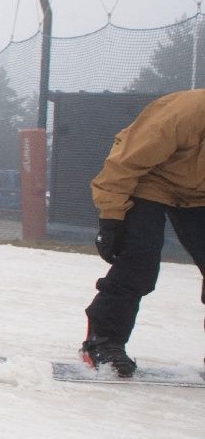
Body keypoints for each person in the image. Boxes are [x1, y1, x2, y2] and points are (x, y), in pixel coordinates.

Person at [82, 88, 205, 377]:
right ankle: (104, 341)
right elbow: (123, 165)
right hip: (149, 181)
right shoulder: (183, 115)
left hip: (200, 194)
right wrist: (111, 219)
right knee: (139, 259)